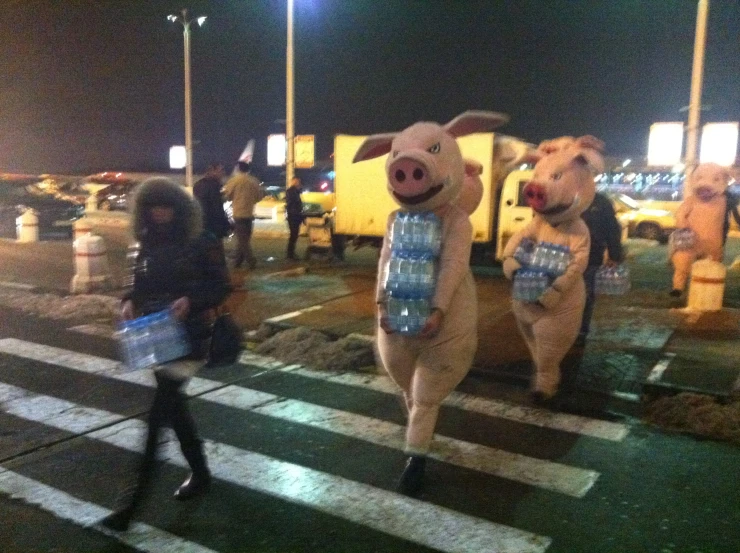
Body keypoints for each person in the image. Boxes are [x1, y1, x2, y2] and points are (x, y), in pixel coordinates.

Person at [101, 177, 231, 532]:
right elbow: (136, 282)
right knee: (174, 408)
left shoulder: (201, 240)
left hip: (191, 338)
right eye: (153, 206)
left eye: (167, 206)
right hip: (156, 336)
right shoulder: (145, 241)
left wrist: (192, 301)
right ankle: (201, 473)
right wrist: (128, 300)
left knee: (158, 416)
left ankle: (129, 506)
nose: (160, 213)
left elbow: (222, 285)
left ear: (180, 207)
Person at [576, 191, 623, 347]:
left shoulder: (600, 201)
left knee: (586, 295)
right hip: (565, 254)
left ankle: (581, 331)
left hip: (592, 255)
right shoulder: (565, 195)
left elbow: (612, 228)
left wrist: (614, 255)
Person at [223, 161, 262, 269]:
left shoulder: (234, 180)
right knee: (244, 239)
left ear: (238, 168)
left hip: (238, 213)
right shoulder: (254, 181)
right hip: (249, 213)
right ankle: (238, 262)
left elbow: (228, 196)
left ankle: (251, 261)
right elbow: (259, 196)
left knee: (242, 240)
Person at [193, 163, 231, 240]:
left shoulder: (198, 184)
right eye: (221, 170)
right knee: (215, 247)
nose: (223, 173)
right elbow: (217, 207)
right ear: (212, 171)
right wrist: (225, 224)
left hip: (201, 221)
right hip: (213, 223)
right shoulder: (215, 185)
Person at [285, 177, 304, 260]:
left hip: (294, 215)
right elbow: (294, 202)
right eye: (297, 182)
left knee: (294, 235)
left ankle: (291, 253)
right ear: (294, 182)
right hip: (294, 216)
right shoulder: (292, 191)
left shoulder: (294, 191)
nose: (299, 183)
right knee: (293, 235)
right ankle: (290, 254)